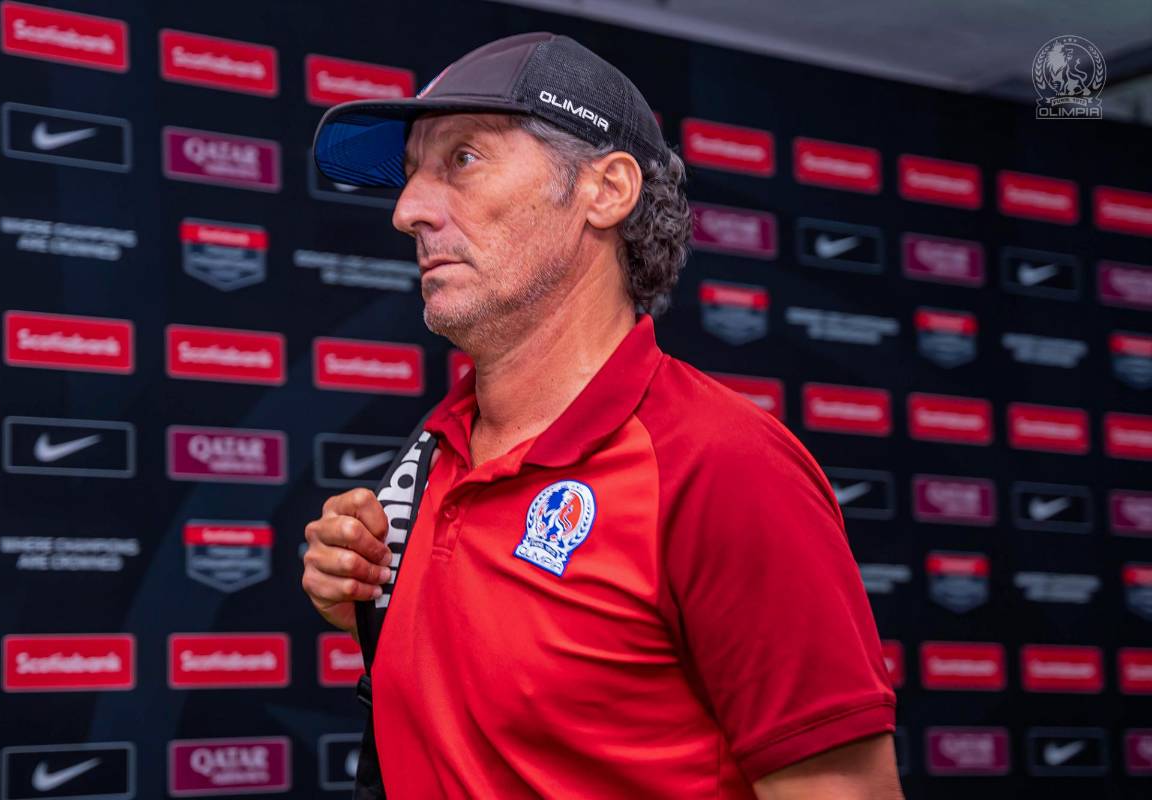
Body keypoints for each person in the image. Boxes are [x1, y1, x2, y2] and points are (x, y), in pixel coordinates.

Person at [302, 31, 901, 799]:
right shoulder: (436, 448)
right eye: (414, 173)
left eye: (463, 158)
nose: (408, 211)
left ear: (606, 190)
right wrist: (357, 609)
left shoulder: (722, 465)